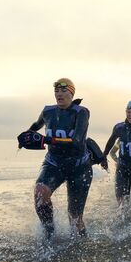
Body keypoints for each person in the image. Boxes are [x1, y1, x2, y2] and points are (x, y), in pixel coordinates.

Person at [17, 78, 102, 239]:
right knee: (40, 194)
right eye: (56, 91)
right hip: (54, 162)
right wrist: (27, 135)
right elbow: (37, 125)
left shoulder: (81, 112)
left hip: (79, 166)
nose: (59, 94)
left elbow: (77, 141)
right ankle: (49, 232)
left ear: (71, 93)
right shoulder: (48, 111)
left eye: (63, 91)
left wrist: (46, 140)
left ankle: (81, 246)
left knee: (75, 219)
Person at [101, 101, 131, 207]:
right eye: (128, 112)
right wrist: (103, 156)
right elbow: (111, 142)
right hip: (123, 168)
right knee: (122, 204)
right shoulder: (119, 127)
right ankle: (123, 222)